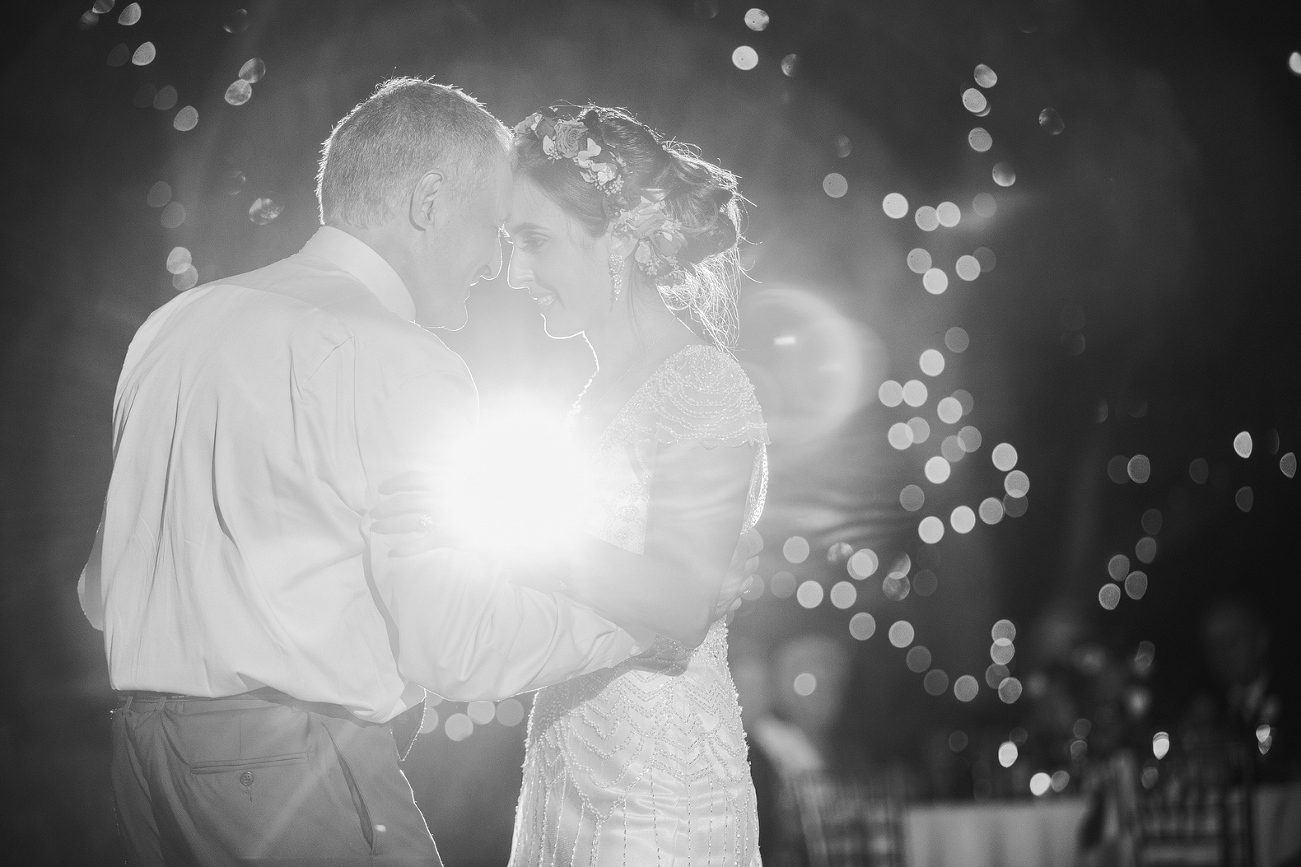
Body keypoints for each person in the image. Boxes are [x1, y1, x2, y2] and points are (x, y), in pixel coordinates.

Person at [77, 78, 758, 866]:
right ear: (430, 201)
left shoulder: (173, 326)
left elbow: (99, 591)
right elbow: (454, 650)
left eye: (527, 239)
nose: (499, 264)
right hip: (290, 766)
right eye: (499, 228)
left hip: (141, 767)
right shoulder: (399, 355)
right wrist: (658, 613)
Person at [405, 104, 771, 866]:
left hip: (658, 796)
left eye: (534, 242)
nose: (515, 274)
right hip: (564, 769)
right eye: (509, 245)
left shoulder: (700, 381)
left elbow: (675, 603)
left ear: (626, 235)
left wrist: (511, 541)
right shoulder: (591, 397)